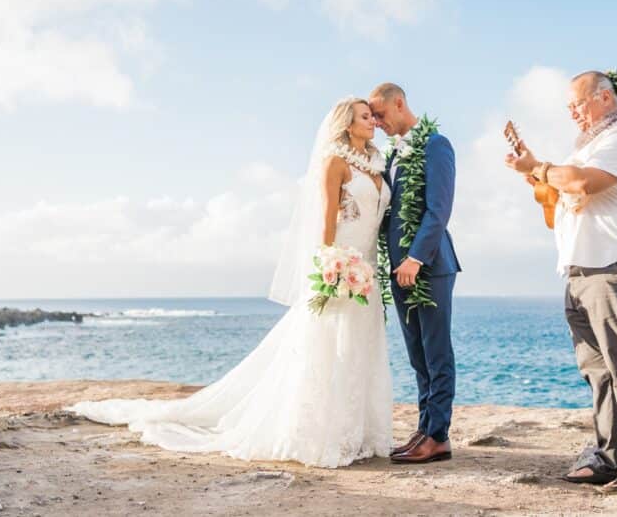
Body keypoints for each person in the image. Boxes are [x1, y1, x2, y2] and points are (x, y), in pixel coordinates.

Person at [70, 97, 393, 468]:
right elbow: (326, 223)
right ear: (346, 124)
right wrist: (330, 267)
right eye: (366, 117)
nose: (373, 122)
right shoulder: (334, 163)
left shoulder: (376, 165)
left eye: (372, 116)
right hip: (340, 267)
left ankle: (359, 432)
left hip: (367, 270)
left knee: (360, 347)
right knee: (327, 348)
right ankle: (323, 434)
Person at [504, 70, 617, 493]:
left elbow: (580, 182)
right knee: (598, 371)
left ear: (605, 98)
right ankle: (610, 457)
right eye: (570, 107)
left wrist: (540, 167)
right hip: (581, 269)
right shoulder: (590, 147)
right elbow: (558, 204)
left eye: (578, 103)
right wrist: (536, 174)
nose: (572, 112)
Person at [368, 83, 460, 464]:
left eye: (380, 114)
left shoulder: (436, 145)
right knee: (418, 356)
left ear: (400, 104)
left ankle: (438, 436)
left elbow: (439, 209)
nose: (376, 122)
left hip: (430, 266)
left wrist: (416, 258)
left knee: (437, 353)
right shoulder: (393, 153)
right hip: (398, 269)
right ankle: (425, 428)